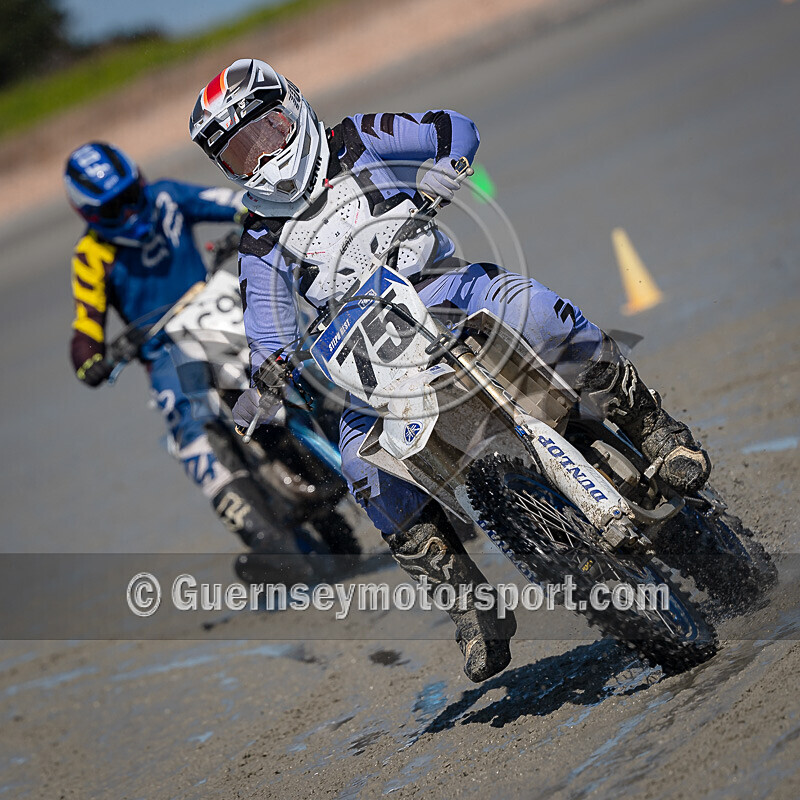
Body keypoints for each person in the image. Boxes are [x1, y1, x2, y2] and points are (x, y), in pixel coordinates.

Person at [189, 59, 712, 682]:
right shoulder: (260, 237)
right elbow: (267, 332)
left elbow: (454, 129)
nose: (260, 157)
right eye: (239, 154)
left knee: (537, 310)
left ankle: (653, 427)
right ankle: (469, 603)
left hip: (447, 289)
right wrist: (265, 377)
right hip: (368, 354)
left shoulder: (359, 136)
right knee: (361, 464)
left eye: (264, 134)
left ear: (291, 108)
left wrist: (443, 168)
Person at [65, 141, 321, 575]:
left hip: (215, 311)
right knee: (194, 434)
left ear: (141, 181)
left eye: (131, 197)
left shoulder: (166, 196)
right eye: (113, 210)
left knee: (289, 350)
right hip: (166, 351)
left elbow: (234, 202)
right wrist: (95, 359)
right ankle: (266, 543)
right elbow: (86, 325)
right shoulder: (90, 257)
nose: (129, 213)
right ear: (89, 216)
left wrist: (252, 220)